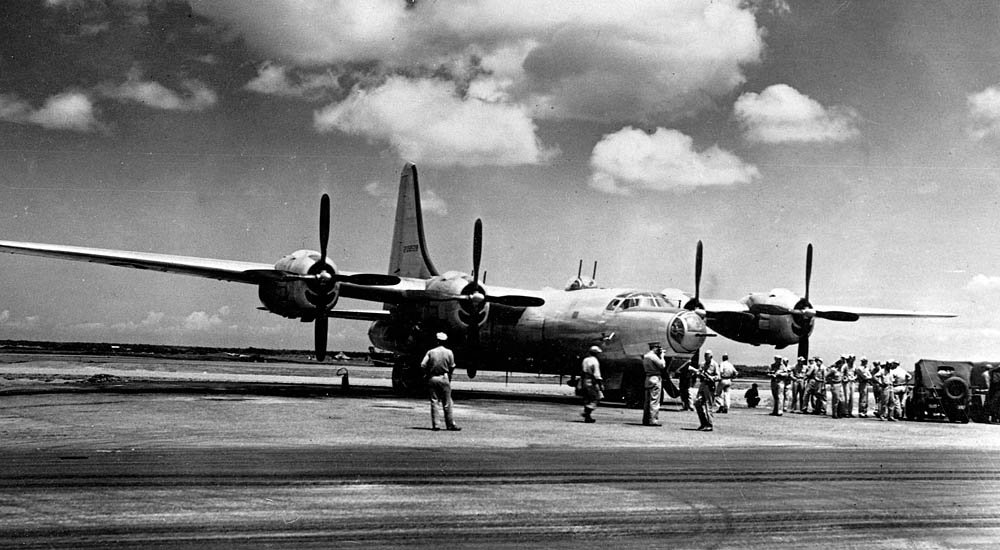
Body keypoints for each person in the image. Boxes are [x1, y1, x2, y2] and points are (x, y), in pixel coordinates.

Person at [420, 332, 461, 431]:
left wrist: (427, 373)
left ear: (437, 341)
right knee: (447, 402)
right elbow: (452, 366)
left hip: (433, 377)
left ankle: (436, 425)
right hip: (444, 377)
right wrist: (449, 375)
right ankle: (450, 424)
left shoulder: (431, 352)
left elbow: (423, 365)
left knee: (434, 401)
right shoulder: (449, 352)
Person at [694, 350, 720, 431]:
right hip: (703, 385)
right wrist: (699, 374)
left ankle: (709, 424)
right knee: (697, 402)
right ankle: (703, 422)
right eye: (705, 356)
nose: (705, 358)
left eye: (707, 356)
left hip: (709, 386)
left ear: (711, 357)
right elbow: (699, 373)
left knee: (708, 406)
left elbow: (718, 376)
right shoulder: (702, 364)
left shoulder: (715, 365)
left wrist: (712, 378)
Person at [642, 342, 666, 426]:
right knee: (654, 401)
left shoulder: (646, 356)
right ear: (655, 348)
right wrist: (662, 356)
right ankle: (653, 420)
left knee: (647, 401)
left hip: (648, 378)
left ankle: (646, 419)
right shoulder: (653, 356)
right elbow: (662, 365)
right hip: (655, 378)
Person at [579, 346, 604, 423]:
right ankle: (586, 412)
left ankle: (588, 417)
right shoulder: (595, 361)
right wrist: (600, 384)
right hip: (592, 381)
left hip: (584, 380)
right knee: (595, 398)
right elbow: (597, 374)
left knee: (587, 399)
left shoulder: (585, 360)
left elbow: (582, 372)